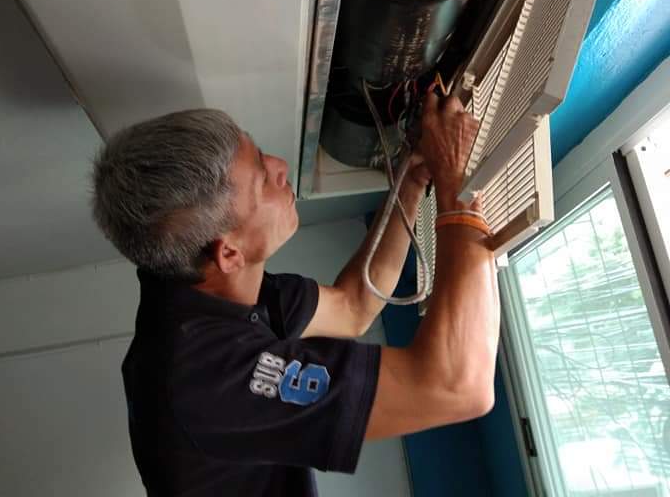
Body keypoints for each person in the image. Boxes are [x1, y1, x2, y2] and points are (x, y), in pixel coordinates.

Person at [91, 92, 499, 496]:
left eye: (260, 153)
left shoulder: (209, 290)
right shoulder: (203, 375)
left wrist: (413, 178)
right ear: (229, 252)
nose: (280, 167)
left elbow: (353, 306)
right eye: (262, 180)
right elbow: (458, 386)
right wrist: (455, 184)